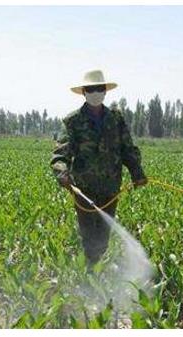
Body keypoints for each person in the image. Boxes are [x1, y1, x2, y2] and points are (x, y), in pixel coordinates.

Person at [50, 69, 148, 270]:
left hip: (110, 188)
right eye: (91, 89)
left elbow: (127, 149)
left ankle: (94, 271)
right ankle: (89, 275)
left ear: (105, 91)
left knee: (103, 236)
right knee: (89, 236)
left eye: (99, 88)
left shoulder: (116, 119)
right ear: (84, 92)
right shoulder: (73, 121)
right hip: (84, 190)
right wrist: (62, 173)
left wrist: (137, 173)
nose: (95, 92)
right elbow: (61, 152)